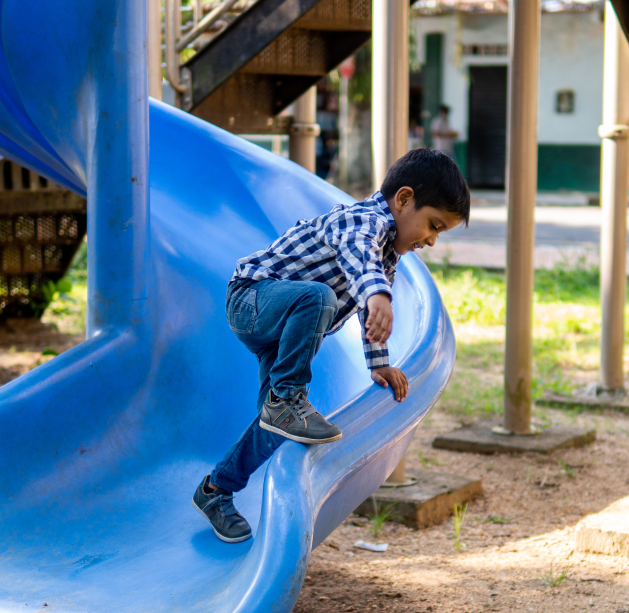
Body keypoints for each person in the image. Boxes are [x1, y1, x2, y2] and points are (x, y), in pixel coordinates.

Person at [192, 149, 470, 543]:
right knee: (318, 297)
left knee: (276, 429)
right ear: (403, 199)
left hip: (282, 330)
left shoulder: (387, 254)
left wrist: (379, 363)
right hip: (251, 300)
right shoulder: (360, 221)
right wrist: (377, 295)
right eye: (433, 225)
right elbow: (360, 262)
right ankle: (285, 399)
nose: (432, 240)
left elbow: (365, 307)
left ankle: (216, 490)